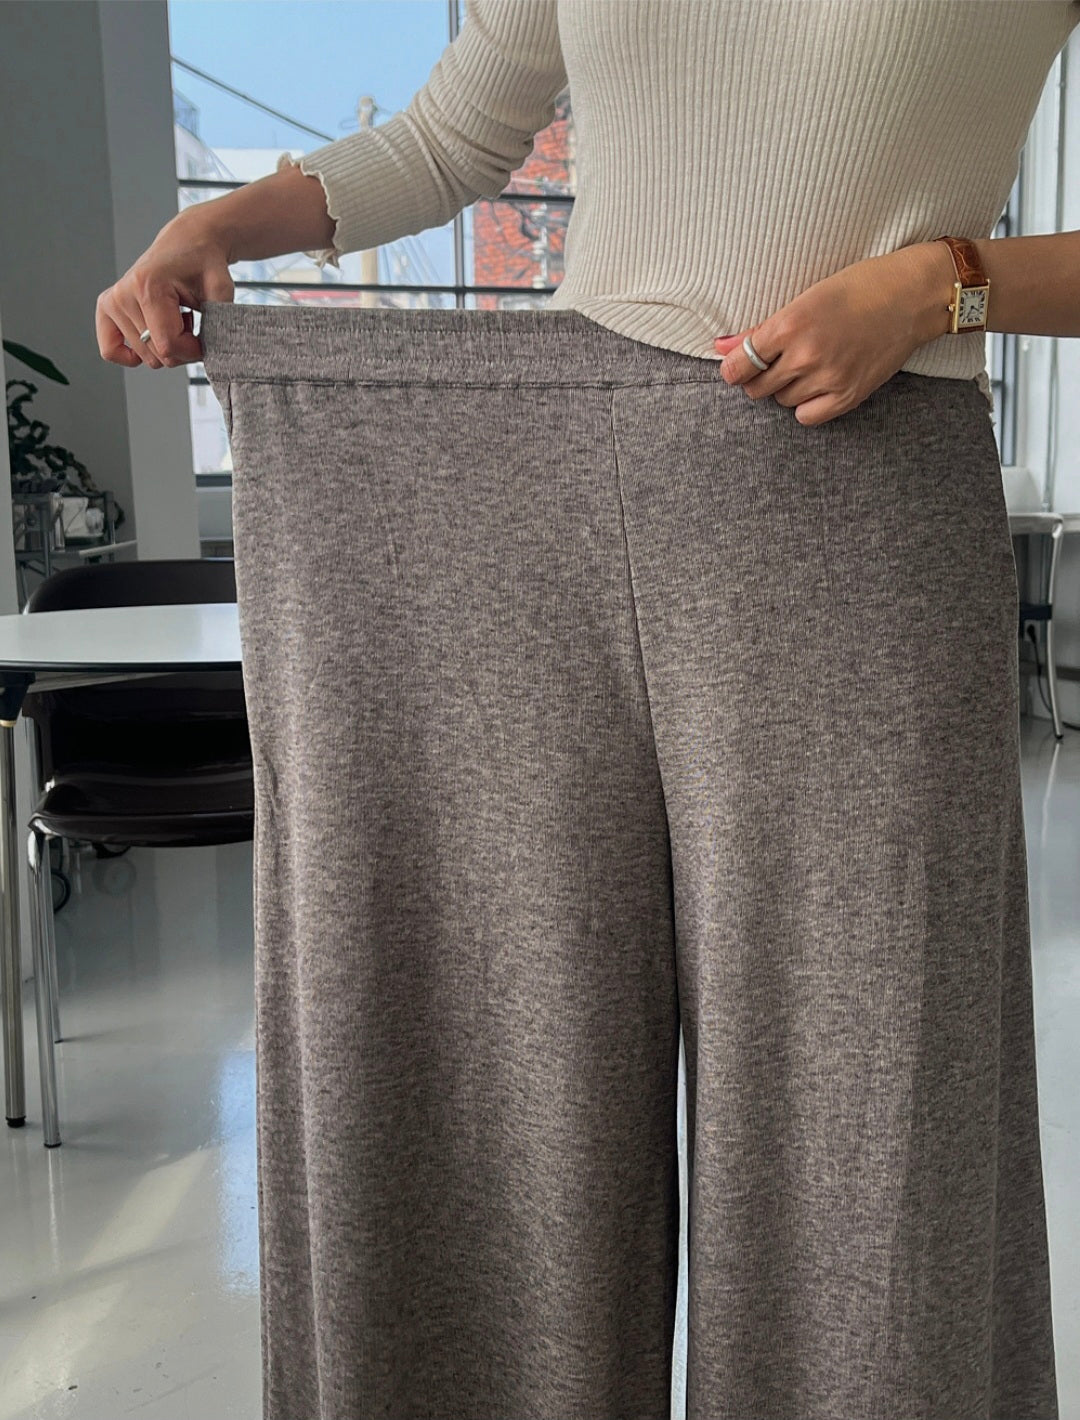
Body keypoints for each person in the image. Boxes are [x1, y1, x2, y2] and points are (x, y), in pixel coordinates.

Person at [97, 4, 1080, 1418]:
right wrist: (221, 225)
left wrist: (945, 285)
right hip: (527, 499)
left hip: (860, 496)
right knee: (491, 1069)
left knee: (866, 1110)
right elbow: (450, 138)